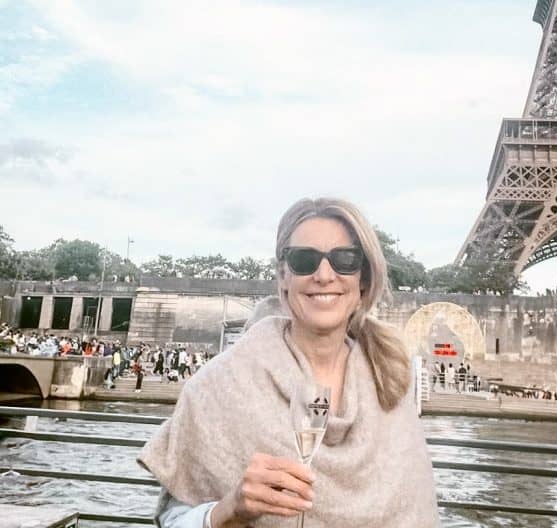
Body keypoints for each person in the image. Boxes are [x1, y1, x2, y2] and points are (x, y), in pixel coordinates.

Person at [140, 197, 439, 527]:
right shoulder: (219, 384)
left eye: (345, 259)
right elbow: (173, 521)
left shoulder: (393, 380)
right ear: (283, 275)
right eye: (303, 260)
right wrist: (229, 509)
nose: (324, 275)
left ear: (363, 278)